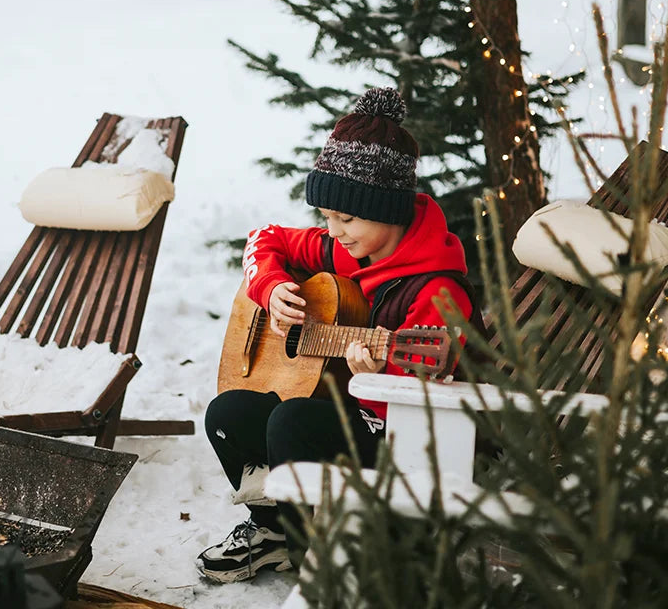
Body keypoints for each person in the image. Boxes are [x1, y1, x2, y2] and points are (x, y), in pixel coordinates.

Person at [197, 86, 476, 583]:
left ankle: (319, 566)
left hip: (403, 437)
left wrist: (373, 380)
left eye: (346, 218)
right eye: (326, 217)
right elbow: (264, 238)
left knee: (291, 422)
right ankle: (273, 531)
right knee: (227, 412)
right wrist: (272, 285)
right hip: (352, 408)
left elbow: (428, 400)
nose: (334, 230)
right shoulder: (344, 249)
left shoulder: (436, 290)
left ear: (388, 210)